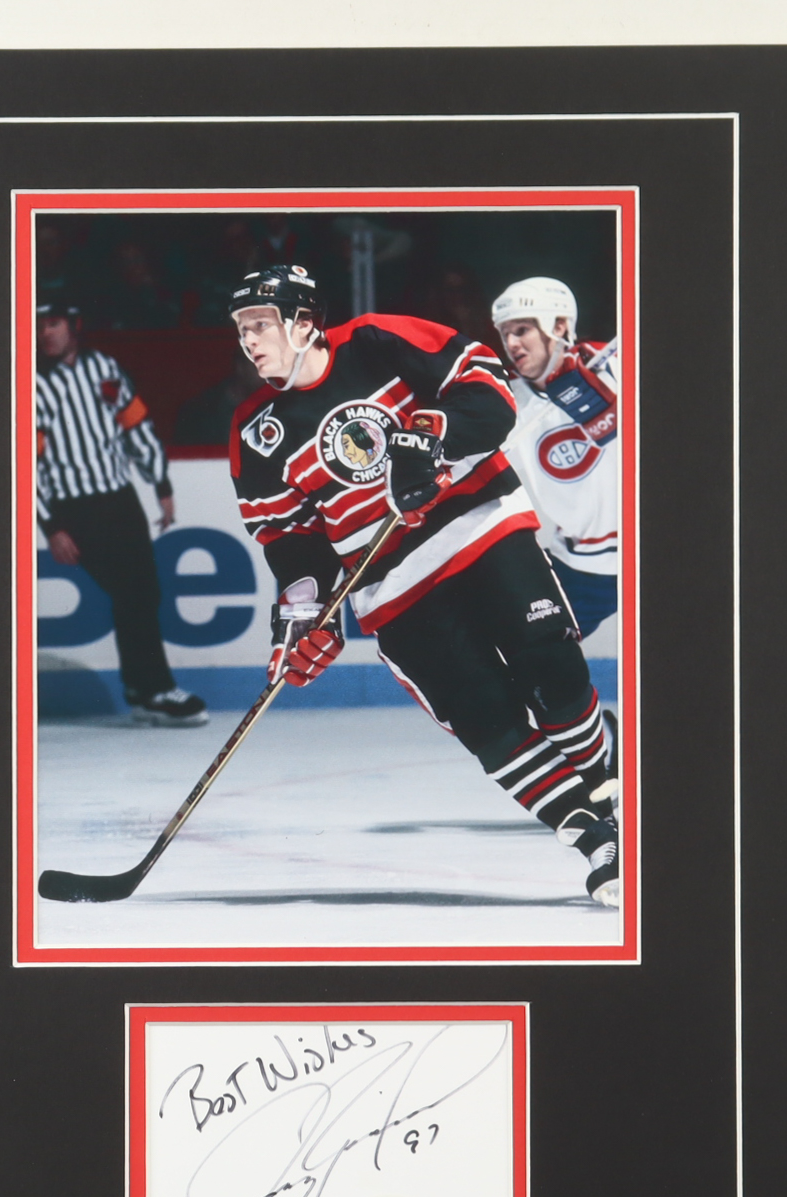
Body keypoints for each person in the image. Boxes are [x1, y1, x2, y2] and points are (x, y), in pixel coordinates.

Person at [227, 265, 620, 907]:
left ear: (303, 322)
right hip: (391, 589)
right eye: (242, 328)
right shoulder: (255, 431)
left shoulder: (375, 340)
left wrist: (431, 438)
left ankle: (604, 780)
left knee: (551, 666)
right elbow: (293, 542)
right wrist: (303, 615)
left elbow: (487, 391)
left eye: (261, 324)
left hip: (481, 527)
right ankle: (597, 838)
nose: (249, 339)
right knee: (485, 719)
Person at [35, 296, 208, 726]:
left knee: (142, 592)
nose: (45, 333)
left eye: (53, 323)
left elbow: (136, 426)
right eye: (39, 325)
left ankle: (141, 688)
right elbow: (27, 464)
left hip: (120, 498)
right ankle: (156, 688)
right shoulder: (31, 384)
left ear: (74, 325)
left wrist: (161, 484)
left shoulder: (104, 369)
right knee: (133, 593)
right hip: (76, 506)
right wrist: (51, 525)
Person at [491, 277, 619, 639]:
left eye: (522, 330)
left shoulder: (618, 366)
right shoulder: (507, 403)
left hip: (660, 554)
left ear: (559, 326)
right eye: (505, 334)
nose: (512, 343)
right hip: (585, 568)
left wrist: (616, 409)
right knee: (529, 651)